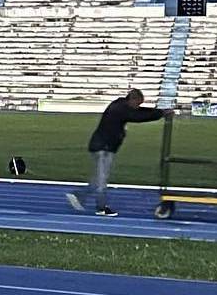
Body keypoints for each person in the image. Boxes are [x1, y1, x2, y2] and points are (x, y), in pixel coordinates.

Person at [65, 88, 168, 217]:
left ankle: (80, 195)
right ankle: (100, 207)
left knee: (98, 178)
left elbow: (139, 112)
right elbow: (138, 116)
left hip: (103, 146)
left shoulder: (120, 105)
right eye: (138, 103)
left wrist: (161, 112)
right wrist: (161, 114)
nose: (138, 106)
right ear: (132, 100)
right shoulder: (120, 109)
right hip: (103, 147)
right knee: (102, 179)